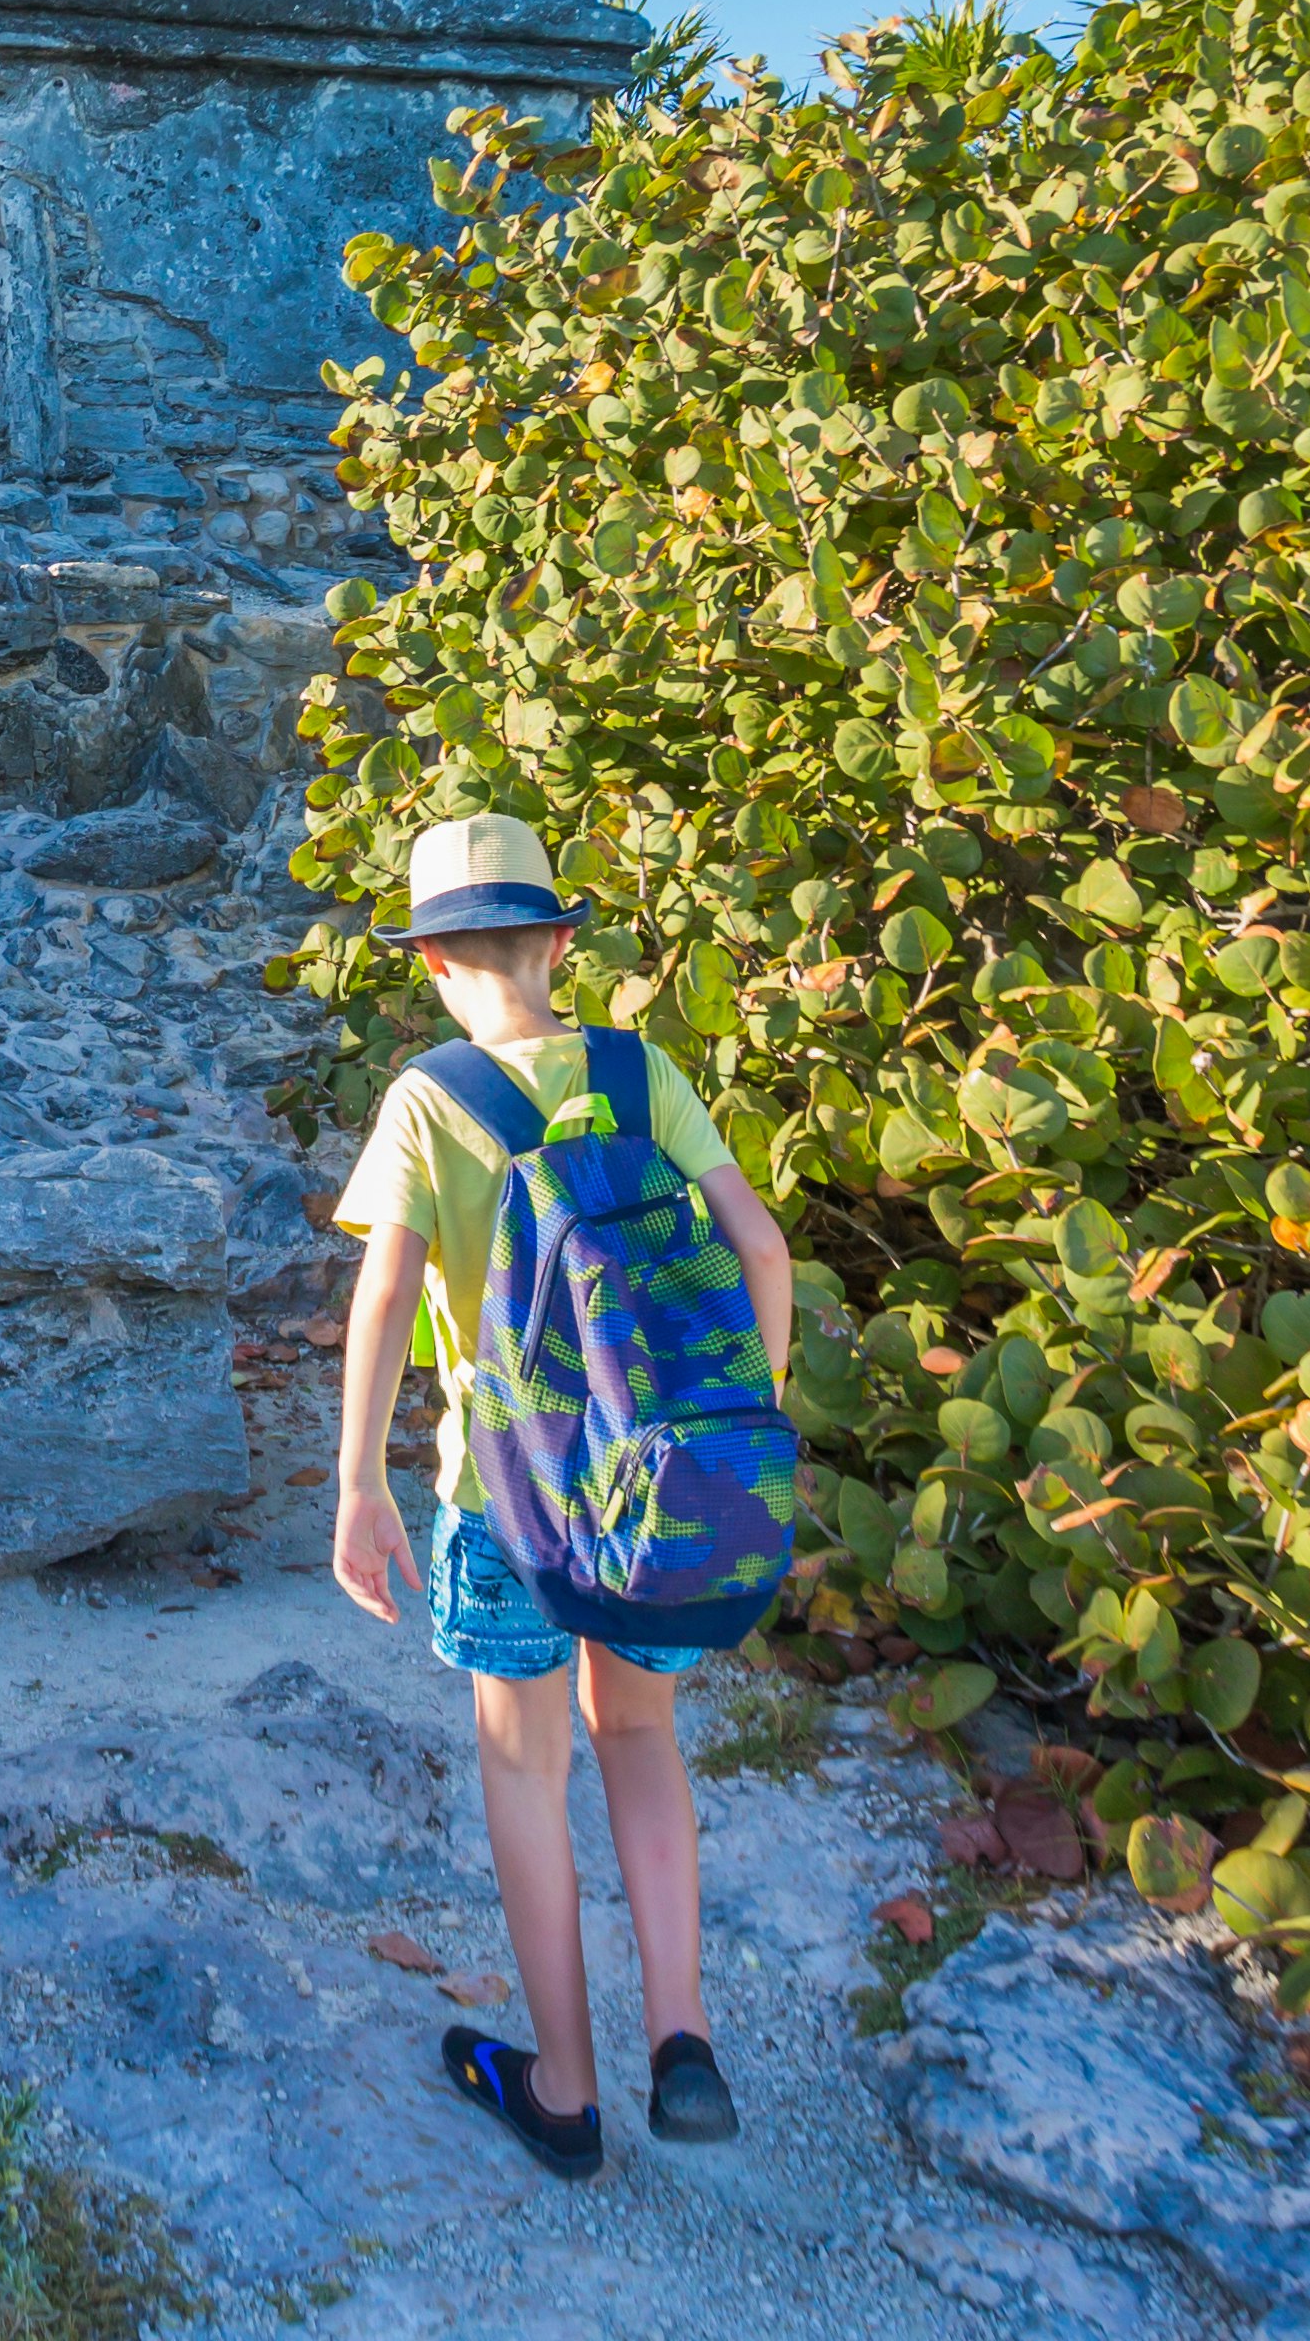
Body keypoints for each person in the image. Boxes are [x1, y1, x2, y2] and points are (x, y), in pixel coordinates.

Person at [326, 811, 797, 2175]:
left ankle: (565, 2088)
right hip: (663, 1485)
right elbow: (757, 1246)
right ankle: (683, 2036)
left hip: (508, 1499)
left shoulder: (429, 1098)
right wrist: (738, 1423)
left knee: (526, 1768)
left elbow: (387, 1292)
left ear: (429, 962)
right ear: (559, 942)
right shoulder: (642, 1073)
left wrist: (356, 1482)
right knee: (640, 1740)